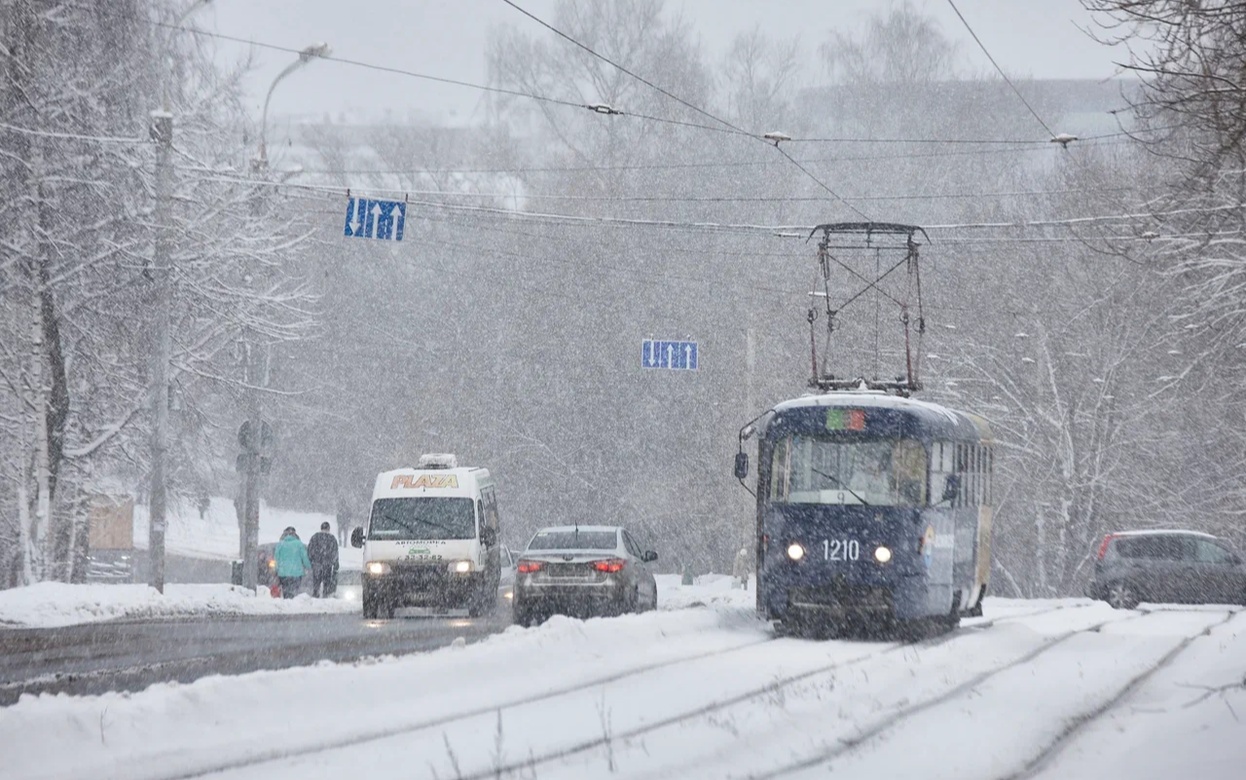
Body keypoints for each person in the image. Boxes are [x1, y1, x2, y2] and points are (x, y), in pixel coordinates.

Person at [273, 526, 311, 598]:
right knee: (294, 591)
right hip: (297, 573)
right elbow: (304, 557)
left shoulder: (280, 544)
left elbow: (276, 559)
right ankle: (293, 603)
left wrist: (276, 570)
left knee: (286, 591)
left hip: (283, 573)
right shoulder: (299, 544)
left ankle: (287, 601)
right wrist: (308, 566)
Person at [307, 521, 340, 598]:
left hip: (316, 563)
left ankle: (315, 595)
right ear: (329, 529)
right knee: (326, 582)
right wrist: (335, 564)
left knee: (316, 581)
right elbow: (335, 552)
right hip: (327, 564)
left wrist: (311, 561)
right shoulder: (332, 539)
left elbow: (310, 550)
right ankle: (325, 595)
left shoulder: (315, 537)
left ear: (321, 528)